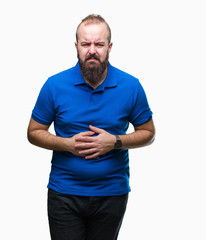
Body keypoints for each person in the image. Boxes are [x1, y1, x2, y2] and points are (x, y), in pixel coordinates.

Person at [27, 14, 155, 240]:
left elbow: (149, 133)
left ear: (110, 47)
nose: (92, 50)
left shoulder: (131, 86)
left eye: (99, 44)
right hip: (64, 193)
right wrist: (66, 144)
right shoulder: (54, 85)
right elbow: (33, 132)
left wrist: (115, 142)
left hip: (112, 194)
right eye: (86, 44)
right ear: (76, 46)